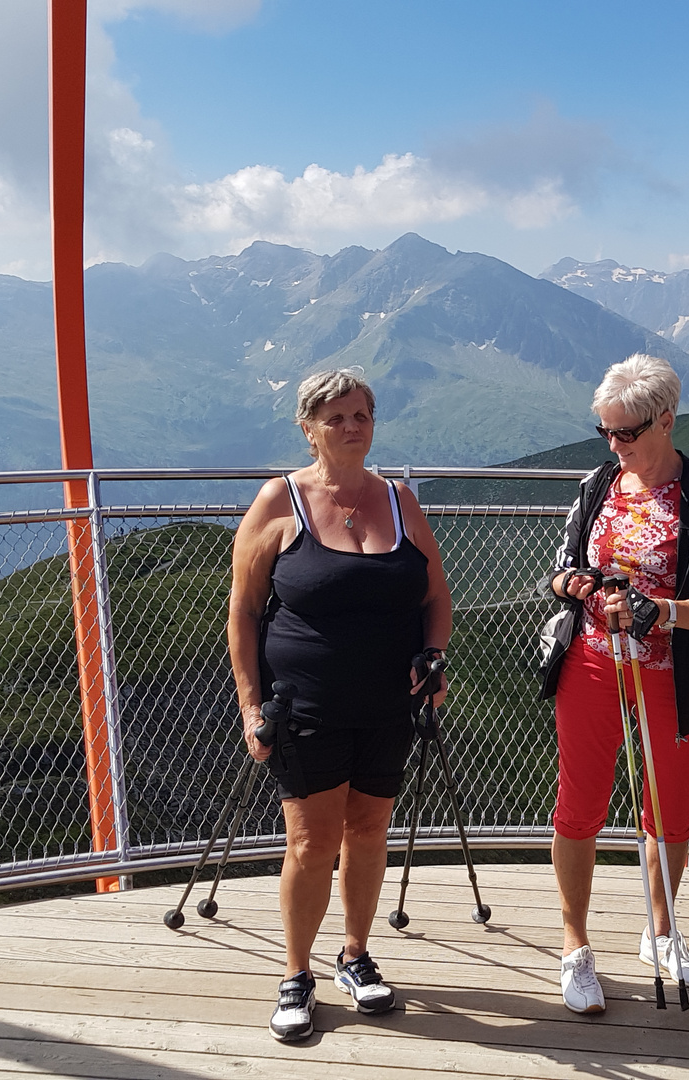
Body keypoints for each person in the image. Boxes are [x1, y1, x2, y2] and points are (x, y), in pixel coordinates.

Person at [227, 367, 452, 1043]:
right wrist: (249, 706)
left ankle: (355, 955)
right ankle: (296, 974)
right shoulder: (278, 501)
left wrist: (434, 656)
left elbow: (436, 596)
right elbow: (242, 611)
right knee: (311, 839)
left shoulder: (401, 502)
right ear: (308, 428)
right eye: (336, 418)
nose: (353, 428)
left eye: (363, 415)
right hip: (305, 705)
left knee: (369, 830)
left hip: (388, 702)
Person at [541, 353, 689, 1015]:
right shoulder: (598, 483)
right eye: (605, 430)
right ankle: (575, 946)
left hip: (674, 671)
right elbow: (562, 568)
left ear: (666, 421)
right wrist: (580, 588)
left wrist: (660, 612)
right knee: (581, 803)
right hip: (594, 659)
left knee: (669, 808)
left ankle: (660, 931)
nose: (614, 444)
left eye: (626, 432)